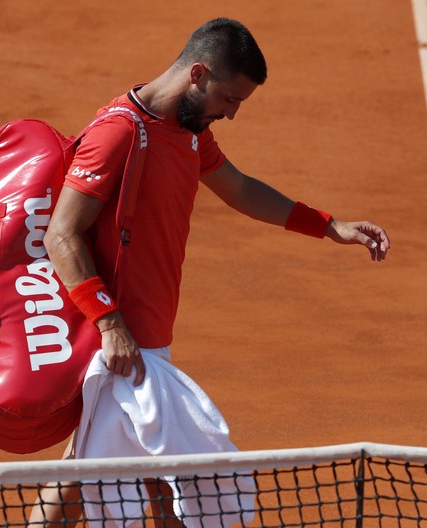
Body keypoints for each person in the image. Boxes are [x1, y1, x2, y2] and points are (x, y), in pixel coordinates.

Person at [28, 17, 390, 527]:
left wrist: (329, 226)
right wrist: (111, 326)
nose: (233, 114)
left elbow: (240, 190)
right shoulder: (118, 134)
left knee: (124, 476)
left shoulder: (189, 133)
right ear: (197, 74)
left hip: (149, 342)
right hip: (118, 345)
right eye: (229, 99)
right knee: (140, 477)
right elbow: (60, 235)